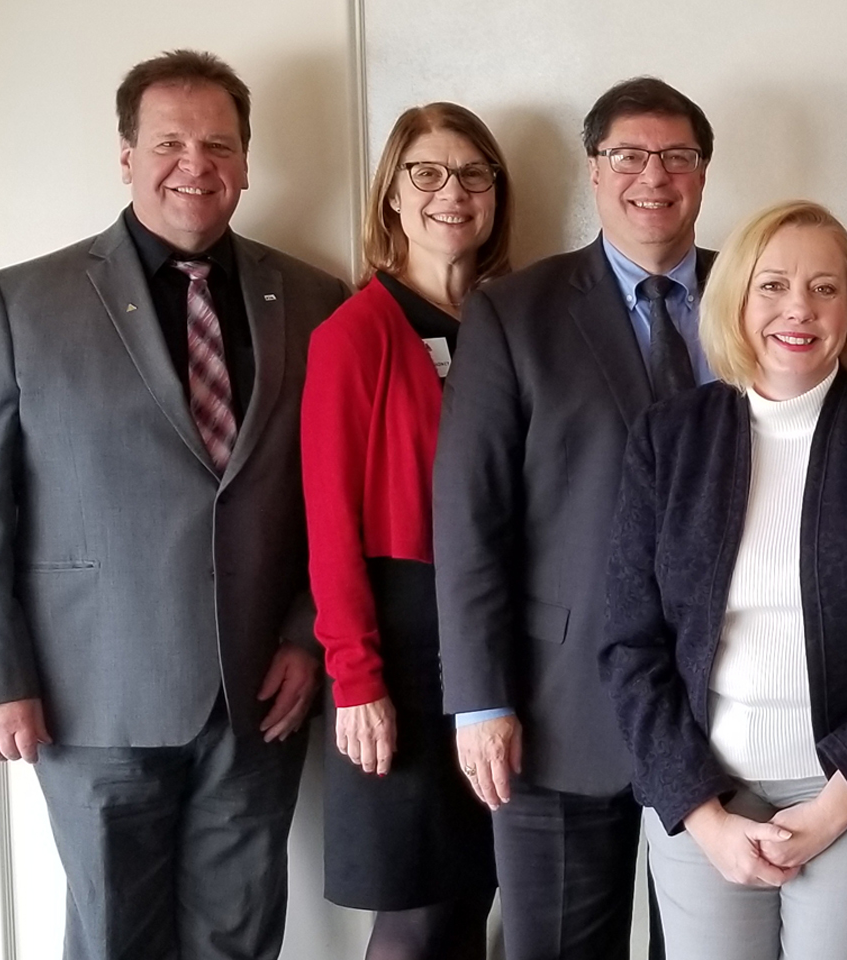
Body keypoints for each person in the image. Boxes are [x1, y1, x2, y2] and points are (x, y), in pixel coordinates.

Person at [0, 49, 349, 960]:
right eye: (171, 142)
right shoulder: (19, 302)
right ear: (125, 154)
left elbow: (330, 499)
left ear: (247, 161)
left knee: (239, 938)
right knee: (115, 939)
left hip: (260, 691)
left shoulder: (311, 298)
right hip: (91, 696)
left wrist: (308, 636)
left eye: (218, 143)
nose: (196, 164)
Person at [598, 199, 847, 960]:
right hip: (707, 788)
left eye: (825, 287)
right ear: (736, 300)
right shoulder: (670, 439)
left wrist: (840, 801)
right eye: (772, 286)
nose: (798, 309)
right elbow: (630, 645)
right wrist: (701, 813)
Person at [434, 74, 715, 960]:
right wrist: (480, 700)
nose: (653, 176)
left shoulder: (766, 301)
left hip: (727, 708)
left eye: (676, 156)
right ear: (593, 172)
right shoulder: (513, 313)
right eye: (628, 155)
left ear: (703, 173)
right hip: (557, 707)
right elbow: (470, 516)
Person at [301, 101, 514, 960]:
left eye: (472, 174)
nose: (451, 193)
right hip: (398, 641)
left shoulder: (509, 325)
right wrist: (355, 679)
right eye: (426, 173)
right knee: (415, 911)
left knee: (473, 895)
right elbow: (328, 522)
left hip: (492, 649)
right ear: (392, 195)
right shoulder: (355, 335)